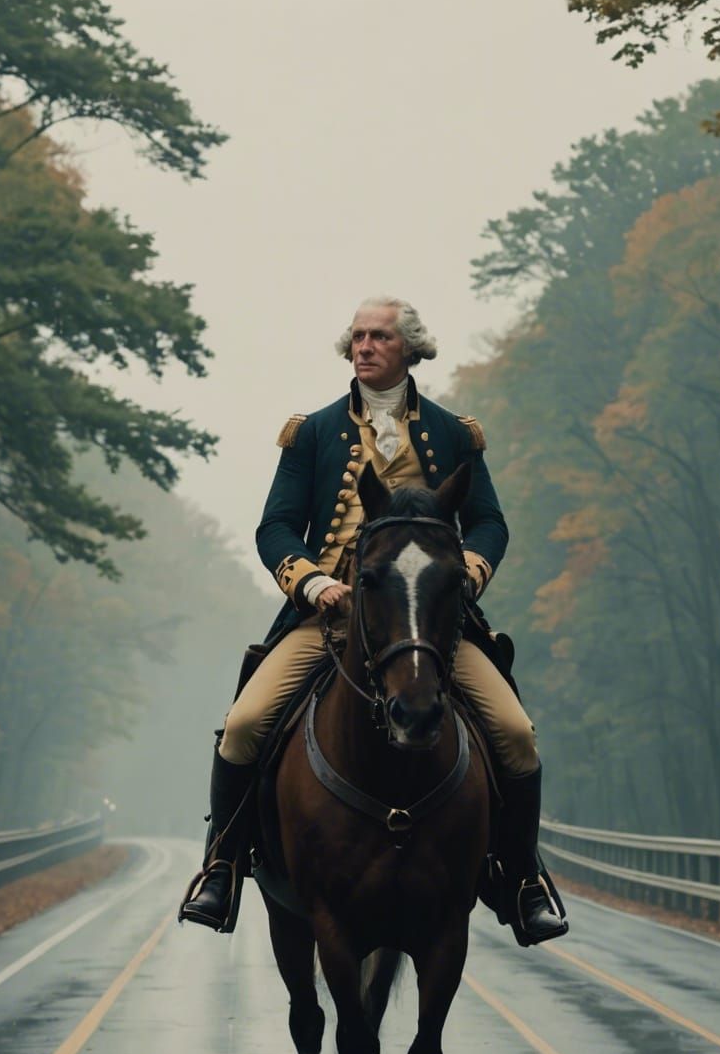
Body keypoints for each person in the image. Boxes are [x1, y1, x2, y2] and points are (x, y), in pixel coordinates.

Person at [178, 296, 568, 946]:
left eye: (379, 336)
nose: (364, 346)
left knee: (516, 733)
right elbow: (276, 525)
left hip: (431, 624)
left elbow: (489, 520)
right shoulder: (312, 433)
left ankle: (522, 879)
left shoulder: (451, 433)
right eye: (357, 336)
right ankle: (222, 866)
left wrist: (469, 570)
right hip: (327, 620)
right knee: (244, 725)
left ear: (408, 348)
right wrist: (313, 580)